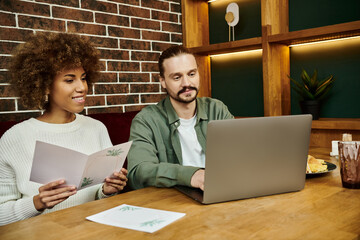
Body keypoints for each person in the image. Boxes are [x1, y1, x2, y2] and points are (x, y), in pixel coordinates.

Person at [0, 32, 128, 225]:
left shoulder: (97, 129)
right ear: (45, 86)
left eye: (83, 78)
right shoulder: (15, 138)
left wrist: (108, 191)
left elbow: (102, 201)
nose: (82, 87)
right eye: (69, 80)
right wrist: (36, 203)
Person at [127, 45, 234, 190]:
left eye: (191, 74)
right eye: (177, 77)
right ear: (163, 81)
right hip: (172, 201)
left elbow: (238, 154)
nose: (187, 84)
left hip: (219, 192)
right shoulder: (146, 120)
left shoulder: (216, 109)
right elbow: (138, 171)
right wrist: (191, 175)